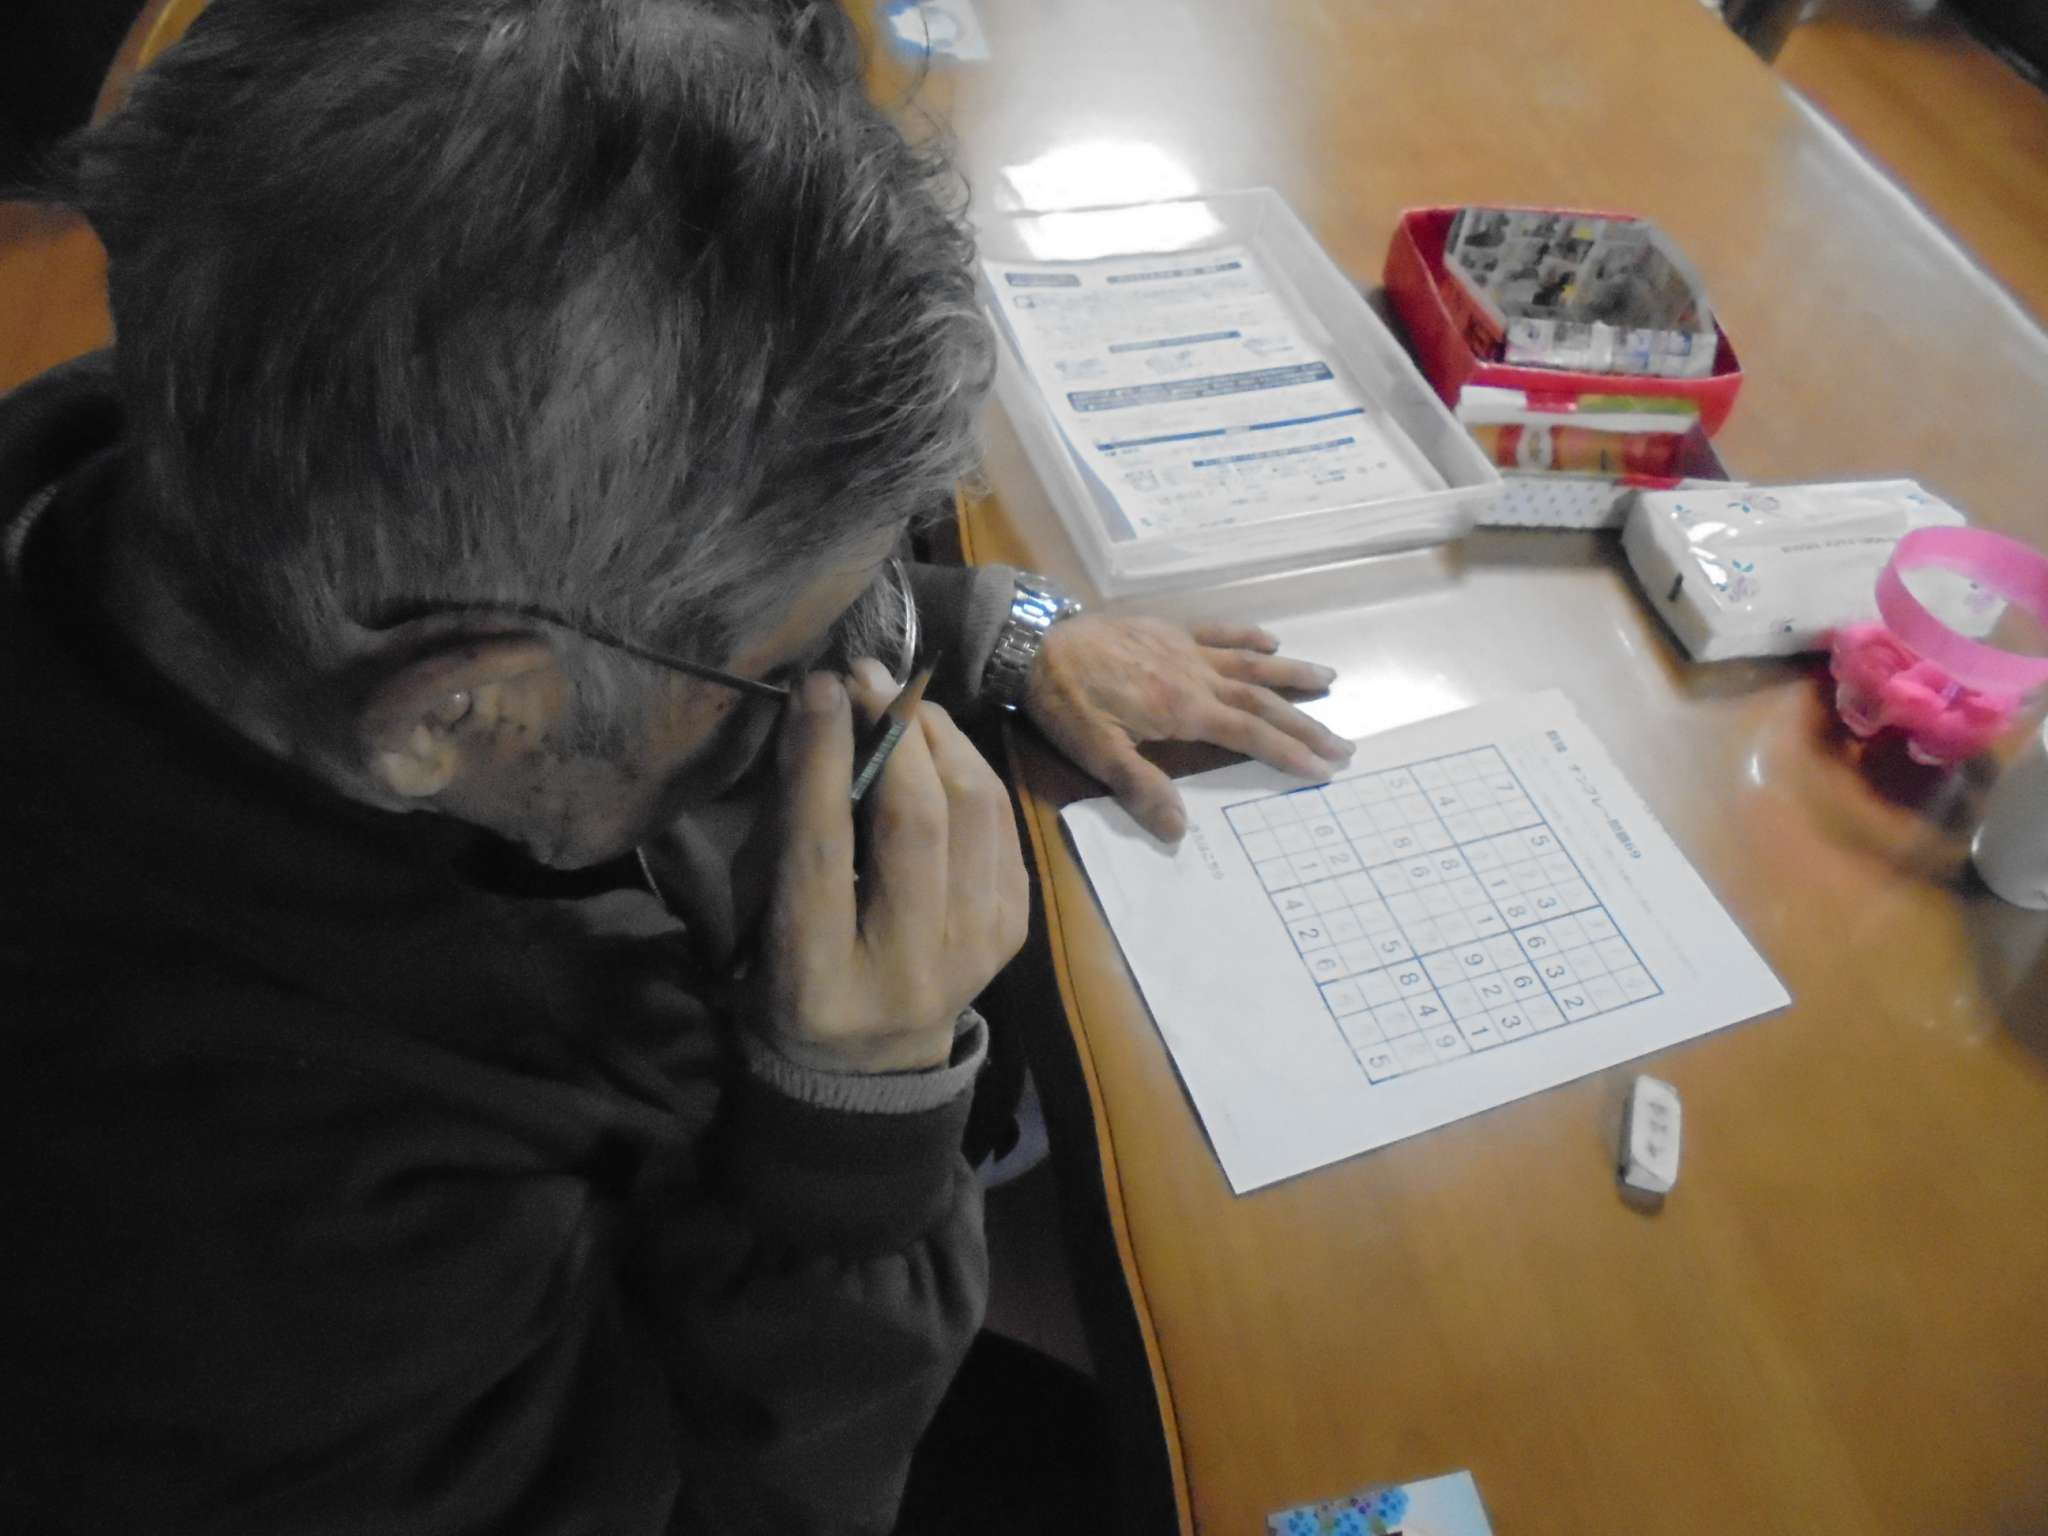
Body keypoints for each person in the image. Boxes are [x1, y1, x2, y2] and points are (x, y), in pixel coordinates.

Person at [0, 2, 1353, 1531]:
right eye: (794, 656)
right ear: (455, 713)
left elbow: (633, 572)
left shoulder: (258, 426)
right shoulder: (243, 1279)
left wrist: (989, 628)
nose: (851, 678)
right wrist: (852, 1130)